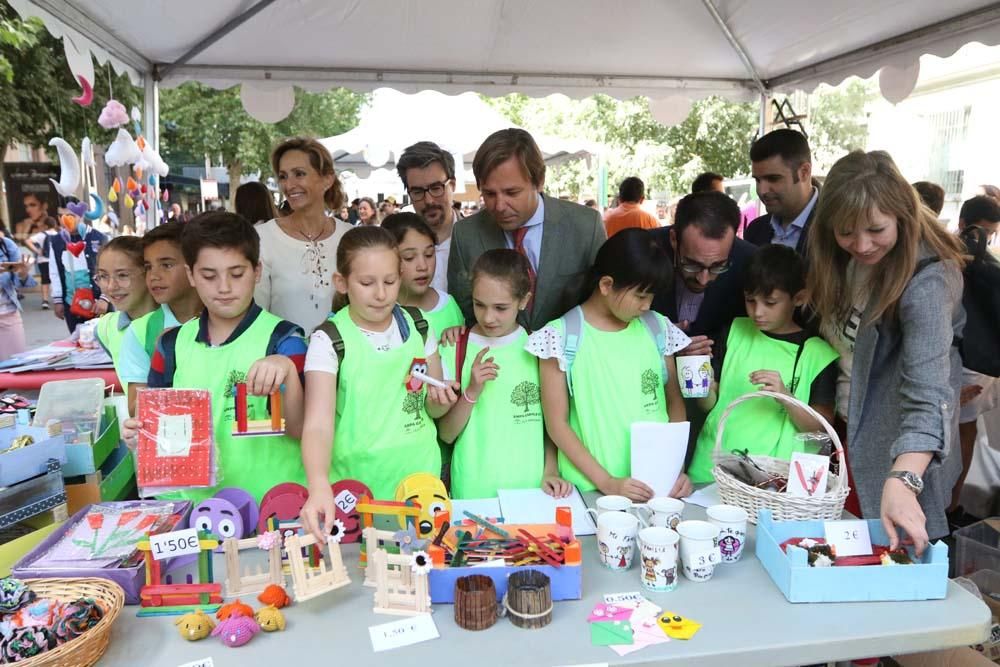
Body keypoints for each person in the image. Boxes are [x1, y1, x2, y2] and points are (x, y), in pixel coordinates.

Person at [809, 150, 966, 553]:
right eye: (845, 232)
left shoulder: (927, 281)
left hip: (899, 455)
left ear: (902, 214)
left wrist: (904, 479)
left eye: (876, 229)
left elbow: (929, 396)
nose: (861, 245)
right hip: (845, 440)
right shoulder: (836, 261)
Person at [122, 212, 308, 503]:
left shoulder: (285, 340)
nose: (224, 287)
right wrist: (141, 436)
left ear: (257, 272)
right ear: (191, 275)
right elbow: (158, 430)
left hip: (273, 509)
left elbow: (302, 429)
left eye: (237, 274)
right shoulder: (170, 346)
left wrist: (285, 369)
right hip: (197, 511)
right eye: (209, 276)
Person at [299, 227, 453, 542]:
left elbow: (434, 410)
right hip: (357, 490)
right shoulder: (329, 340)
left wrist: (443, 396)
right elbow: (317, 424)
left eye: (390, 281)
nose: (381, 294)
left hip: (419, 484)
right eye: (367, 283)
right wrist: (318, 485)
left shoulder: (420, 326)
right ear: (341, 282)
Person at [527, 228, 692, 502]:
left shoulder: (657, 327)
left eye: (651, 296)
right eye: (640, 296)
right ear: (606, 285)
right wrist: (608, 482)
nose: (646, 305)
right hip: (589, 492)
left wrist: (676, 469)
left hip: (657, 488)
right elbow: (557, 424)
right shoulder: (560, 336)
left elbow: (674, 403)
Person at [686, 245, 839, 482]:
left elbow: (822, 431)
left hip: (773, 482)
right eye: (750, 300)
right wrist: (697, 374)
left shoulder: (817, 354)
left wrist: (785, 396)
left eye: (770, 302)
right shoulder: (734, 331)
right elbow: (710, 404)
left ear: (799, 298)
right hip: (710, 467)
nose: (757, 312)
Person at [437, 249, 571, 499]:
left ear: (524, 300)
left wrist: (551, 471)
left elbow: (553, 424)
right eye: (479, 305)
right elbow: (446, 433)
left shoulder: (539, 349)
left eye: (500, 307)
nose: (488, 317)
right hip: (472, 490)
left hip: (533, 490)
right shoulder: (453, 347)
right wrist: (472, 391)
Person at [448, 128, 606, 332]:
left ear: (539, 181)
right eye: (489, 194)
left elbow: (602, 302)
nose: (499, 205)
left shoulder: (585, 226)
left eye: (511, 192)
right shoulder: (465, 234)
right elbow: (464, 311)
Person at [255, 137, 352, 334]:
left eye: (299, 174)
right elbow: (256, 316)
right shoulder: (263, 239)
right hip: (284, 359)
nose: (289, 185)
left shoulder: (350, 237)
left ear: (327, 179)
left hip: (345, 359)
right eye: (283, 176)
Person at [650, 191, 756, 357]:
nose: (703, 279)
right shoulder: (644, 253)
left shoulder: (749, 262)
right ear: (673, 239)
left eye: (718, 266)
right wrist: (660, 344)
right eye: (692, 265)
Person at [948, 194, 1000, 518]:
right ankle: (949, 505)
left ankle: (951, 505)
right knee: (958, 432)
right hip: (968, 359)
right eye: (982, 231)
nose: (985, 239)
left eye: (992, 233)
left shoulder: (983, 264)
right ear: (963, 224)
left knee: (964, 431)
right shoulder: (946, 255)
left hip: (972, 363)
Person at [118, 221, 204, 412]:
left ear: (194, 267)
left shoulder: (224, 322)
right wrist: (164, 364)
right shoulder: (141, 332)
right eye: (148, 267)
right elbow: (135, 408)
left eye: (166, 265)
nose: (154, 276)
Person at [381, 213, 465, 336]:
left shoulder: (449, 305)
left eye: (429, 254)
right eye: (409, 258)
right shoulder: (380, 312)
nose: (423, 266)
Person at [94, 237, 156, 395]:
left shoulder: (176, 323)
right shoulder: (106, 328)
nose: (111, 286)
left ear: (148, 273)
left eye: (122, 275)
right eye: (103, 276)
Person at [396, 141, 460, 292]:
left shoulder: (478, 239)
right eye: (418, 192)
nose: (429, 200)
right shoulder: (393, 244)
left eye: (436, 188)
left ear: (452, 185)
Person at [745, 129, 818, 255]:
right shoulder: (755, 231)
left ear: (804, 172)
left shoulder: (837, 229)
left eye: (773, 179)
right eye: (757, 180)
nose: (762, 191)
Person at [48, 202, 108, 333]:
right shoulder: (56, 241)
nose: (65, 219)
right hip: (72, 304)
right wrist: (58, 300)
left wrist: (105, 298)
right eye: (61, 216)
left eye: (70, 215)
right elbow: (55, 273)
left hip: (98, 304)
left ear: (80, 215)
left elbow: (111, 271)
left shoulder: (99, 238)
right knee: (78, 345)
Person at [0, 221, 34, 361]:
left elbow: (20, 283)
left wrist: (23, 274)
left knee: (15, 365)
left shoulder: (6, 245)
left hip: (8, 313)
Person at [25, 216, 57, 309]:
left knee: (45, 280)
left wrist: (37, 251)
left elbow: (28, 241)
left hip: (43, 260)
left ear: (46, 225)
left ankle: (45, 301)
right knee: (56, 279)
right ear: (54, 224)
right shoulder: (58, 234)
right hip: (55, 260)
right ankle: (57, 299)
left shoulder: (41, 235)